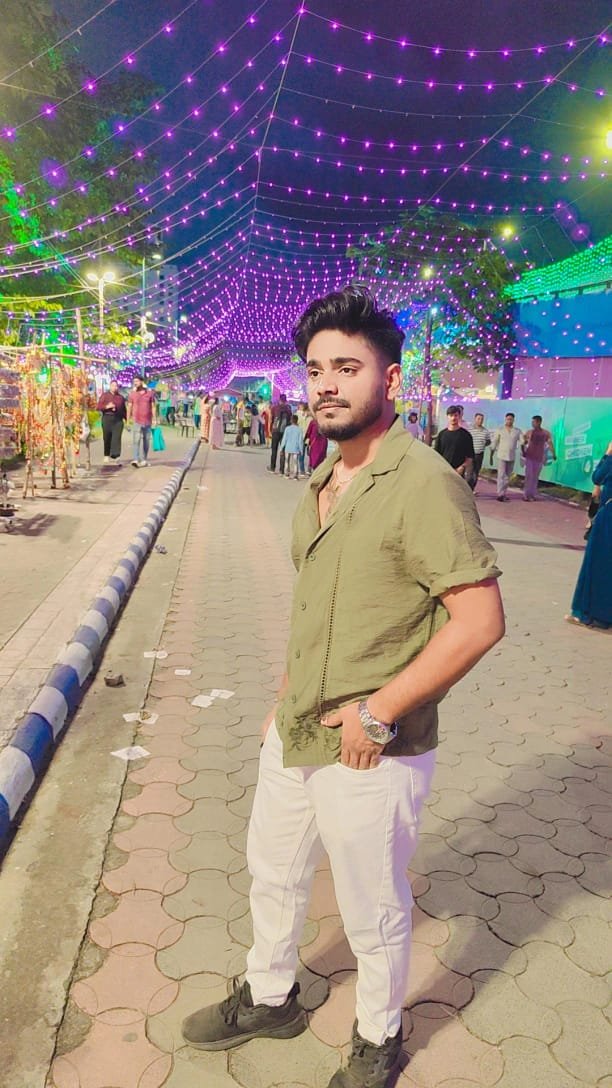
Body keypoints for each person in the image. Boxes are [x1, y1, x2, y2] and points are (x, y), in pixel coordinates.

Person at [181, 286, 504, 1088]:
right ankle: (271, 995)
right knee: (273, 870)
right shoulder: (324, 476)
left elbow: (479, 621)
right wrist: (284, 694)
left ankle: (378, 1038)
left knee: (372, 905)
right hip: (297, 727)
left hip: (372, 746)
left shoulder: (423, 481)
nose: (326, 384)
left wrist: (379, 713)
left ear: (388, 380)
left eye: (347, 368)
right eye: (316, 369)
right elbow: (318, 603)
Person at [566, 442, 612, 630]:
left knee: (597, 563)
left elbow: (597, 476)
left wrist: (608, 454)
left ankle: (588, 613)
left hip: (608, 517)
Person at [434, 405, 474, 481]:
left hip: (459, 473)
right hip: (443, 471)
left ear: (459, 416)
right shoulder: (441, 434)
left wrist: (462, 467)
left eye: (455, 415)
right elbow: (436, 454)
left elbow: (470, 457)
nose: (453, 418)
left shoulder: (466, 435)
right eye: (451, 415)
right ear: (447, 417)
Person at [521, 414, 556, 501]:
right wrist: (523, 451)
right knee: (528, 476)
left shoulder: (545, 433)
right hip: (530, 456)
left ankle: (532, 494)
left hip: (539, 457)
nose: (532, 424)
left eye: (534, 422)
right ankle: (526, 495)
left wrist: (554, 454)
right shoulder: (529, 432)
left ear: (539, 422)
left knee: (535, 477)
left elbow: (550, 443)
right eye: (532, 422)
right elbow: (524, 443)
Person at [489, 412, 522, 502]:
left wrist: (526, 442)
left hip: (511, 456)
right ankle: (500, 494)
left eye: (511, 419)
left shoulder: (517, 431)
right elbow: (494, 443)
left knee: (507, 476)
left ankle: (504, 493)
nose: (509, 421)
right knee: (501, 475)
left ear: (513, 420)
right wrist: (491, 455)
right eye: (508, 419)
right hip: (501, 455)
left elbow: (522, 441)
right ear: (505, 419)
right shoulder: (500, 430)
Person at [127, 377, 156, 468]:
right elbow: (129, 407)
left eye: (137, 381)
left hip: (147, 421)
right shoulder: (132, 394)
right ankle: (136, 459)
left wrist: (155, 419)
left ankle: (144, 459)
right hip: (136, 420)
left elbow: (153, 406)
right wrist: (128, 420)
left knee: (146, 441)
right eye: (134, 381)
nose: (135, 383)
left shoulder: (150, 393)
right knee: (136, 440)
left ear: (142, 382)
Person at [97, 380, 126, 464]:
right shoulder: (104, 396)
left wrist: (126, 419)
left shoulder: (120, 397)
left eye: (116, 386)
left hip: (118, 419)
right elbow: (98, 407)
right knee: (107, 437)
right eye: (113, 385)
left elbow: (124, 409)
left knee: (117, 438)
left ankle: (116, 455)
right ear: (110, 386)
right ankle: (106, 455)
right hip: (107, 418)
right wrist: (107, 406)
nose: (115, 387)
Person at [268, 393, 293, 473]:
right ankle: (282, 469)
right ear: (285, 400)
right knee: (283, 450)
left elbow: (271, 419)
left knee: (274, 450)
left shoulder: (275, 408)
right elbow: (290, 421)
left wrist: (270, 430)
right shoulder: (288, 409)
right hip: (284, 432)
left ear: (279, 400)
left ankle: (272, 467)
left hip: (275, 431)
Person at [467, 411, 491, 491]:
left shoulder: (485, 431)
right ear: (475, 419)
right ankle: (467, 488)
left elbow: (488, 441)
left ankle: (472, 488)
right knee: (469, 473)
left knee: (476, 472)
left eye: (481, 419)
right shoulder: (470, 429)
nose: (480, 421)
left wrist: (482, 445)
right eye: (478, 419)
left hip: (479, 454)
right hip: (470, 454)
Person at [280, 414, 305, 479]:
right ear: (297, 421)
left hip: (288, 447)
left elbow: (284, 439)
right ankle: (295, 475)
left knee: (287, 461)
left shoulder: (287, 428)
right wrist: (301, 450)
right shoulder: (299, 429)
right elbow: (300, 441)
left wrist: (281, 448)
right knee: (295, 462)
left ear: (291, 420)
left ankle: (286, 474)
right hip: (295, 448)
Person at [296, 401, 310, 475]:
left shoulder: (298, 415)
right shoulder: (310, 417)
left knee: (301, 454)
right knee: (309, 455)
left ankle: (302, 470)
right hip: (308, 438)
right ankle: (307, 470)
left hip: (302, 437)